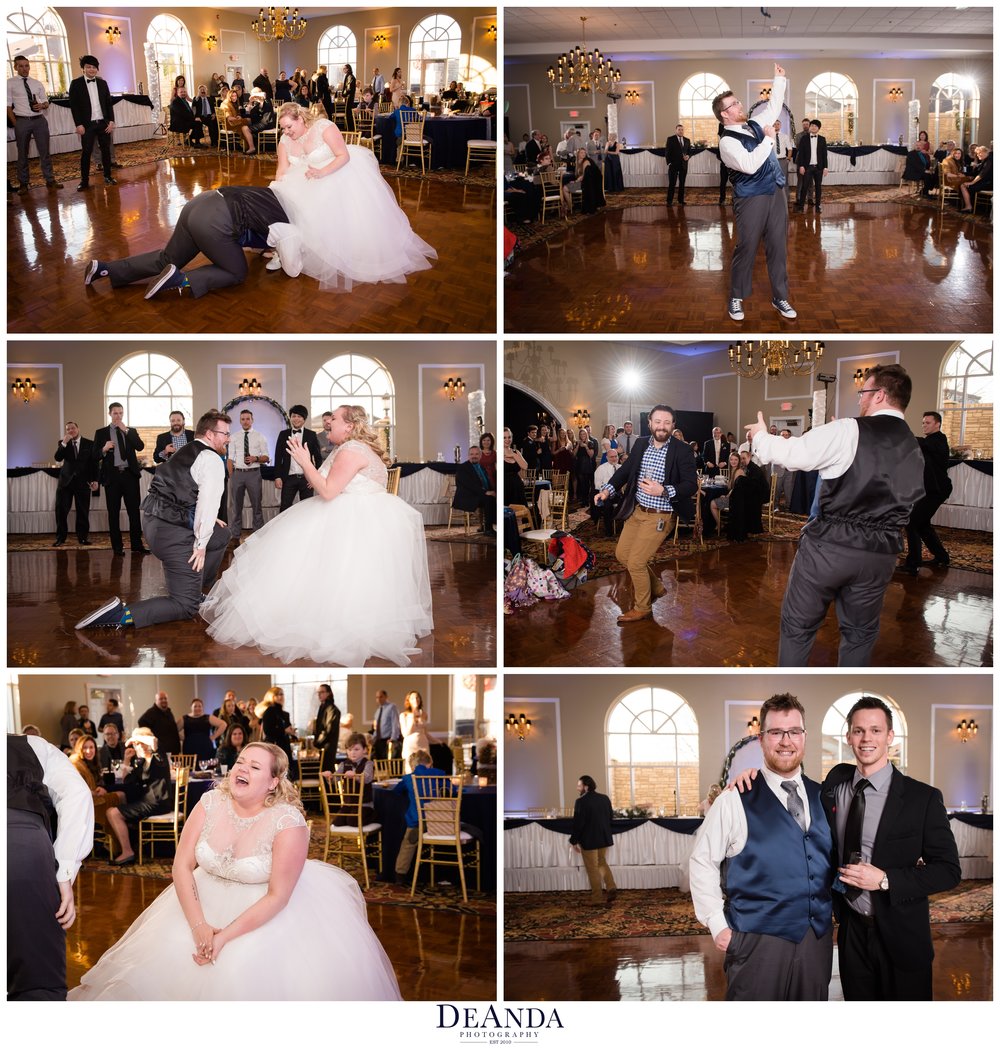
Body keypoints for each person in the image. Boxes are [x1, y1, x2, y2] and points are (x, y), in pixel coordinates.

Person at [70, 742, 401, 999]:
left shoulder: (288, 821)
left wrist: (224, 936)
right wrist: (199, 926)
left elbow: (279, 895)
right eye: (241, 761)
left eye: (255, 766)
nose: (242, 768)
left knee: (239, 970)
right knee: (167, 956)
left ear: (273, 782)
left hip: (263, 911)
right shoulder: (210, 803)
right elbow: (181, 866)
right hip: (197, 900)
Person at [201, 405, 433, 666]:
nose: (327, 421)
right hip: (364, 518)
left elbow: (329, 491)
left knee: (308, 564)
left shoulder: (351, 450)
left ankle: (335, 623)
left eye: (333, 418)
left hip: (351, 519)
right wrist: (312, 467)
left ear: (349, 426)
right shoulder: (349, 448)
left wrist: (304, 462)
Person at [746, 364, 924, 665]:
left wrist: (761, 436)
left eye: (863, 392)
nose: (859, 399)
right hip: (880, 556)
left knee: (798, 628)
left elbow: (794, 454)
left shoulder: (849, 429)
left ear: (880, 395)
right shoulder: (914, 447)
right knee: (861, 634)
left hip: (829, 549)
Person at [690, 693, 834, 1000]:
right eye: (776, 732)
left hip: (816, 941)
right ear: (761, 739)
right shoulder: (734, 799)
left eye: (794, 731)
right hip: (756, 941)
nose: (786, 741)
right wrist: (718, 926)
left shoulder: (825, 796)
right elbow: (702, 861)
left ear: (804, 737)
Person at [821, 696, 960, 1000]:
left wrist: (885, 880)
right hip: (851, 934)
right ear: (848, 737)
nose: (866, 738)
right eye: (858, 731)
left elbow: (949, 871)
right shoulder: (835, 785)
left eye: (875, 730)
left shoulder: (922, 798)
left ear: (890, 737)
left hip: (903, 936)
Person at [75, 410, 233, 632]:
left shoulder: (186, 450)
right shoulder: (211, 459)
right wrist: (200, 546)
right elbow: (207, 505)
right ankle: (119, 614)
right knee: (186, 606)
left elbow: (180, 488)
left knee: (222, 534)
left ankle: (195, 587)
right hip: (172, 533)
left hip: (153, 524)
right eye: (224, 433)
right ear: (209, 434)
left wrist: (207, 523)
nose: (228, 437)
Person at [264, 103, 437, 290]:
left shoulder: (324, 127)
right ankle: (284, 249)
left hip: (333, 174)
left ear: (301, 119)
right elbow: (281, 169)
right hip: (302, 180)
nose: (287, 132)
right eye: (283, 128)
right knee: (281, 201)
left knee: (322, 206)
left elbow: (343, 155)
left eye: (289, 126)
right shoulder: (284, 140)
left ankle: (314, 250)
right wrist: (278, 189)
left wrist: (322, 173)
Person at [84, 184, 291, 299]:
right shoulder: (288, 221)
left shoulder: (271, 193)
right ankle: (179, 280)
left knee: (166, 258)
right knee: (236, 273)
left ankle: (104, 269)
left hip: (200, 202)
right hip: (213, 220)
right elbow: (266, 243)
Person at [8, 734, 93, 1000]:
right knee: (38, 984)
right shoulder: (32, 744)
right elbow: (77, 793)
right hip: (22, 846)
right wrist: (65, 872)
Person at [594, 404, 698, 623]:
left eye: (667, 422)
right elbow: (624, 472)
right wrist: (606, 490)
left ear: (673, 425)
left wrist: (664, 490)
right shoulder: (641, 444)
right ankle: (656, 586)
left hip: (661, 515)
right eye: (658, 421)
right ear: (650, 422)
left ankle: (643, 607)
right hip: (638, 510)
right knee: (623, 555)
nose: (662, 426)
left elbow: (691, 485)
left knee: (636, 562)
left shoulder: (682, 449)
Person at [715, 62, 796, 322]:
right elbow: (749, 165)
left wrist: (779, 80)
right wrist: (770, 139)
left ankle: (780, 297)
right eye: (734, 105)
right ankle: (735, 298)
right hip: (751, 198)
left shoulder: (753, 124)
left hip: (776, 192)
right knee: (747, 248)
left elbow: (773, 108)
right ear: (724, 115)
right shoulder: (727, 142)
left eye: (737, 102)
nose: (740, 106)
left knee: (778, 247)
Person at [104, 728, 172, 865]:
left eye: (141, 743)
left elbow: (154, 740)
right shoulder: (141, 762)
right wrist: (126, 760)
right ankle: (132, 843)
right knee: (121, 797)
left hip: (158, 803)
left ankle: (127, 851)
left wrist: (133, 738)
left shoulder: (159, 756)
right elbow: (127, 781)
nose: (138, 746)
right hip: (147, 801)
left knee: (113, 813)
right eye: (137, 744)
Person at [900, 410, 952, 574]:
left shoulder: (939, 441)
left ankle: (913, 564)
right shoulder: (929, 442)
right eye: (923, 422)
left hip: (937, 490)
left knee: (912, 522)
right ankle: (942, 557)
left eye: (927, 423)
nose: (924, 425)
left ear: (937, 424)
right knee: (922, 525)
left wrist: (905, 435)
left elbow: (924, 444)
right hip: (929, 489)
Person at [92, 402, 147, 556]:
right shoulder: (101, 433)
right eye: (115, 413)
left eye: (121, 413)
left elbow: (140, 446)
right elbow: (94, 456)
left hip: (130, 476)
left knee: (134, 512)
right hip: (112, 477)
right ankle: (117, 547)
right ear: (110, 414)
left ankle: (137, 545)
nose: (118, 416)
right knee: (113, 513)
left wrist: (127, 431)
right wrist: (103, 448)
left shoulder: (131, 431)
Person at [391, 749, 451, 883]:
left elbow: (396, 791)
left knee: (408, 844)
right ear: (429, 763)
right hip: (437, 822)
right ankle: (443, 874)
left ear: (413, 765)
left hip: (417, 821)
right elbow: (452, 790)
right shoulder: (439, 773)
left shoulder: (408, 778)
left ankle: (400, 875)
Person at [7, 54, 62, 191]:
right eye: (21, 66)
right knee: (22, 154)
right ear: (15, 67)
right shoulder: (9, 83)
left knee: (45, 152)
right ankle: (23, 184)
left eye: (26, 65)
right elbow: (7, 106)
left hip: (39, 121)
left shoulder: (36, 83)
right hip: (22, 121)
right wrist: (16, 123)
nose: (24, 69)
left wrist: (42, 106)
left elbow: (45, 101)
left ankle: (50, 180)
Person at [68, 55, 117, 191]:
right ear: (83, 69)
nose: (91, 69)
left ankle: (108, 176)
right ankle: (84, 181)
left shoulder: (103, 83)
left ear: (97, 69)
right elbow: (74, 106)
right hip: (87, 125)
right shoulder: (76, 84)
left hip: (103, 123)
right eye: (88, 67)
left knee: (106, 151)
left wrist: (111, 121)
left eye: (94, 67)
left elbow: (108, 104)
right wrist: (78, 124)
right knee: (86, 152)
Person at [569, 775, 618, 906]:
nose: (577, 788)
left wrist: (573, 841)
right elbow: (610, 818)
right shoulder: (604, 798)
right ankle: (611, 886)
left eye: (579, 786)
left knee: (592, 869)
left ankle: (597, 898)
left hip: (589, 840)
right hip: (603, 838)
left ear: (586, 786)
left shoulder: (580, 802)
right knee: (601, 862)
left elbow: (578, 824)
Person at [69, 734, 122, 841]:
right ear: (79, 748)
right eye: (85, 747)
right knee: (121, 796)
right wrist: (94, 793)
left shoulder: (90, 762)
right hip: (86, 805)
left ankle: (121, 837)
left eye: (91, 747)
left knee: (121, 794)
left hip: (92, 799)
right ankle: (120, 838)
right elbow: (77, 790)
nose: (88, 751)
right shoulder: (75, 764)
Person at [53, 421, 96, 546]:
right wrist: (64, 443)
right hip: (66, 483)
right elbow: (57, 458)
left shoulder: (89, 443)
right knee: (61, 511)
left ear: (78, 428)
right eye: (68, 429)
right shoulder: (63, 443)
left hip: (83, 482)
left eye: (73, 428)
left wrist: (94, 480)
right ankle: (60, 538)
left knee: (83, 511)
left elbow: (93, 464)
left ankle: (82, 538)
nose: (71, 430)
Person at [228, 408, 270, 538]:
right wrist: (232, 476)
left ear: (252, 420)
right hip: (238, 474)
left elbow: (267, 457)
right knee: (236, 507)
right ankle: (234, 534)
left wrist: (255, 458)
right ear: (240, 421)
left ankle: (258, 533)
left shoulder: (260, 436)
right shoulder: (234, 437)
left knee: (257, 505)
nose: (245, 421)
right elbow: (230, 458)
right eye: (243, 419)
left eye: (248, 419)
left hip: (254, 473)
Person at [274, 405, 322, 511]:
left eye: (299, 416)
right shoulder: (283, 434)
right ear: (290, 418)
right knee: (284, 508)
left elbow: (318, 458)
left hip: (307, 478)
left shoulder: (312, 435)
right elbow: (278, 457)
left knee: (308, 508)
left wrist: (315, 477)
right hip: (288, 478)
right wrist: (277, 477)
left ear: (304, 419)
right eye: (293, 416)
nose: (296, 419)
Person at [453, 446, 497, 534]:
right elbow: (470, 485)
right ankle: (488, 528)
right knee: (489, 499)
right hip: (467, 497)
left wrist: (493, 491)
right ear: (468, 455)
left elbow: (486, 482)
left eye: (476, 454)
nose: (474, 456)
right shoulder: (463, 468)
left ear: (480, 455)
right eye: (471, 454)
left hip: (477, 494)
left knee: (495, 498)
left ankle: (491, 524)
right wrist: (486, 492)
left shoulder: (481, 467)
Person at [795, 119, 828, 212]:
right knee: (804, 187)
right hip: (807, 167)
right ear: (810, 127)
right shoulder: (804, 138)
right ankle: (801, 206)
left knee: (818, 187)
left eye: (815, 126)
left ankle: (818, 206)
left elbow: (824, 155)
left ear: (818, 128)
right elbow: (801, 154)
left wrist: (825, 167)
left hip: (818, 168)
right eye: (812, 125)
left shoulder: (822, 139)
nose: (813, 127)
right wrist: (801, 166)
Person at [136, 691, 181, 756]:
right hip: (160, 752)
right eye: (161, 699)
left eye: (165, 698)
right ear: (156, 701)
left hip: (173, 751)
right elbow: (141, 722)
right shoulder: (151, 712)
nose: (163, 700)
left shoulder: (169, 712)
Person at [313, 683, 342, 774]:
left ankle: (329, 789)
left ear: (329, 693)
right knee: (323, 772)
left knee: (327, 773)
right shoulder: (322, 707)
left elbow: (328, 730)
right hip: (323, 746)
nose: (319, 694)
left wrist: (316, 743)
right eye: (318, 692)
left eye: (322, 692)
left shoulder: (332, 709)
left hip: (328, 747)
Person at [219, 87, 257, 153]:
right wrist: (238, 118)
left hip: (235, 122)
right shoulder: (225, 104)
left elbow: (237, 113)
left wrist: (239, 116)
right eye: (232, 96)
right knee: (248, 121)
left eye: (235, 96)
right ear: (229, 96)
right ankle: (251, 144)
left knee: (245, 126)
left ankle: (251, 146)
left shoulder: (235, 103)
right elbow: (229, 118)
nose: (234, 98)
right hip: (229, 124)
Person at [400, 691, 435, 763]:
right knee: (411, 769)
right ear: (408, 701)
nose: (415, 700)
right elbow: (405, 734)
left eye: (417, 697)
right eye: (412, 698)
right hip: (410, 746)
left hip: (423, 744)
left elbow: (425, 733)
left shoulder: (424, 714)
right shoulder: (404, 715)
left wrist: (437, 741)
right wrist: (412, 716)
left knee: (426, 768)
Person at [371, 689, 402, 761]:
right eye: (377, 697)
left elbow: (395, 723)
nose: (379, 699)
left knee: (388, 763)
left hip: (388, 740)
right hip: (379, 741)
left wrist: (393, 738)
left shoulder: (392, 707)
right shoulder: (378, 711)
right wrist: (373, 738)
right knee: (379, 763)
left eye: (381, 697)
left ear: (386, 697)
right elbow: (377, 727)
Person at [666, 123, 692, 206]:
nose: (681, 131)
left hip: (683, 165)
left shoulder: (687, 140)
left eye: (682, 130)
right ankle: (669, 201)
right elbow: (667, 152)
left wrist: (688, 156)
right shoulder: (670, 139)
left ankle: (681, 200)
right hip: (673, 165)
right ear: (676, 130)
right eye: (679, 130)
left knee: (682, 183)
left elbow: (689, 152)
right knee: (672, 184)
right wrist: (669, 162)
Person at [340, 64, 356, 129]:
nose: (343, 70)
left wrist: (343, 94)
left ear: (348, 69)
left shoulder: (349, 76)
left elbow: (348, 88)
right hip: (349, 96)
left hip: (349, 97)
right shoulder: (349, 76)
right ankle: (350, 128)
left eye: (344, 68)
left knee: (348, 113)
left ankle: (350, 128)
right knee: (348, 113)